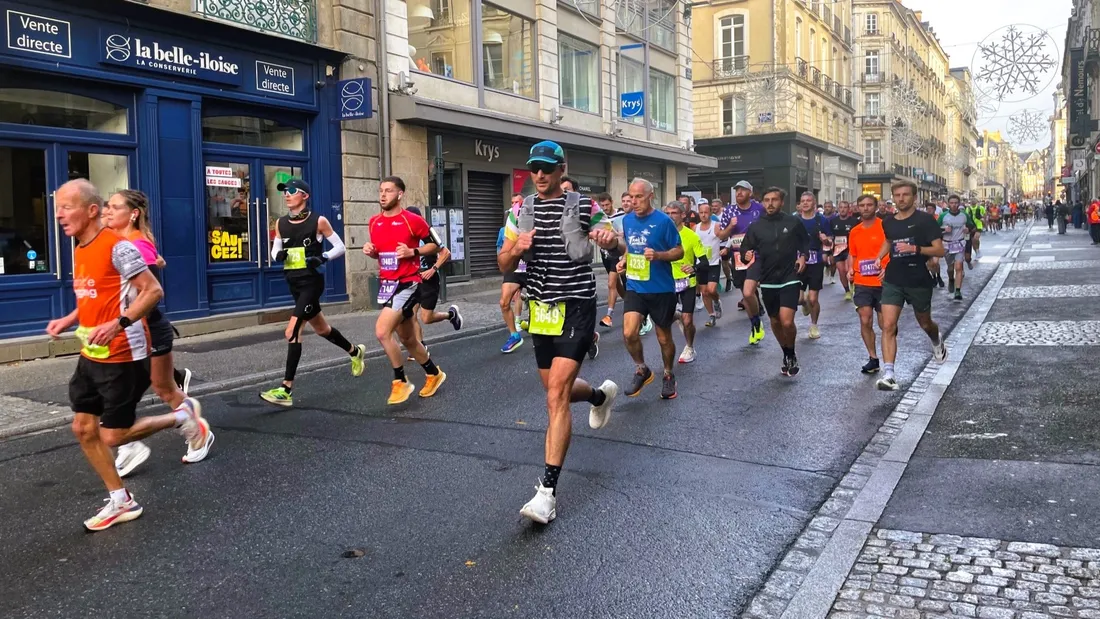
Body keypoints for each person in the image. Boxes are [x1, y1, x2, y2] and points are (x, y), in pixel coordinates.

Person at [47, 179, 211, 531]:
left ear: (91, 210)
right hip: (91, 353)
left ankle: (181, 417)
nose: (59, 214)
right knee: (83, 428)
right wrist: (70, 319)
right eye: (57, 207)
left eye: (67, 207)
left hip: (124, 354)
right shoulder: (80, 247)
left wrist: (118, 324)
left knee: (112, 436)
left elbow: (152, 291)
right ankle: (121, 500)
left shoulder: (118, 247)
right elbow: (94, 294)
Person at [499, 141, 619, 524]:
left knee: (556, 397)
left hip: (577, 306)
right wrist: (516, 248)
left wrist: (608, 239)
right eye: (534, 167)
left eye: (547, 168)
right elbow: (502, 261)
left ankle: (546, 494)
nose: (539, 174)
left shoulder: (585, 205)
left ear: (561, 168)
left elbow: (614, 240)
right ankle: (599, 395)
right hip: (540, 309)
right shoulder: (520, 210)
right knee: (555, 389)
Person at [102, 189, 210, 478]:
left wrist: (119, 321)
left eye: (114, 207)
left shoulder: (137, 244)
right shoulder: (119, 242)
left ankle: (196, 433)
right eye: (106, 206)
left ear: (133, 214)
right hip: (125, 332)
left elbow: (149, 293)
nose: (107, 211)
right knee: (112, 389)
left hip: (146, 330)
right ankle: (127, 443)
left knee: (162, 389)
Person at [261, 178, 365, 406]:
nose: (287, 194)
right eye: (284, 191)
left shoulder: (319, 220)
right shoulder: (280, 223)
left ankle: (286, 389)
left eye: (291, 190)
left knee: (292, 331)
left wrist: (323, 257)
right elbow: (275, 249)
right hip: (293, 282)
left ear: (305, 196)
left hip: (311, 283)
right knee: (322, 329)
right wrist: (278, 255)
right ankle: (355, 351)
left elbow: (340, 247)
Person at [363, 176, 448, 404]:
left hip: (408, 284)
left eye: (388, 191)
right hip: (387, 285)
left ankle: (400, 381)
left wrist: (413, 251)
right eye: (381, 190)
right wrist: (372, 251)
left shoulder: (412, 220)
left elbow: (437, 245)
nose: (383, 195)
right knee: (408, 339)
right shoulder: (374, 222)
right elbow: (382, 253)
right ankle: (434, 374)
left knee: (382, 332)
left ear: (400, 194)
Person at [875, 181, 948, 391]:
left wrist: (915, 249)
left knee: (925, 324)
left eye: (905, 195)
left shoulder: (925, 220)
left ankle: (936, 339)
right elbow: (889, 241)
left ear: (914, 197)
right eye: (897, 195)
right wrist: (879, 257)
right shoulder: (888, 221)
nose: (901, 199)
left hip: (918, 278)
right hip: (894, 278)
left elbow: (939, 250)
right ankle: (889, 375)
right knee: (888, 325)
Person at [617, 178, 684, 399]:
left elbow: (679, 251)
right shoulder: (627, 220)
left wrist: (658, 255)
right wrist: (624, 260)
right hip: (635, 285)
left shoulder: (664, 221)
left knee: (663, 338)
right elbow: (630, 246)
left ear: (650, 196)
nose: (634, 201)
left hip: (661, 288)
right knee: (629, 333)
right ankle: (642, 369)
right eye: (631, 197)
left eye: (639, 197)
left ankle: (668, 374)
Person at [739, 187, 809, 375]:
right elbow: (745, 249)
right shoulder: (756, 226)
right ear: (763, 203)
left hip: (789, 276)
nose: (770, 203)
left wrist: (803, 256)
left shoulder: (793, 222)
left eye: (774, 200)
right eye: (767, 200)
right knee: (776, 321)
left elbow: (805, 242)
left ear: (781, 202)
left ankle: (791, 353)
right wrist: (746, 255)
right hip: (768, 279)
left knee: (787, 322)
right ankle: (786, 353)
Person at [405, 206, 462, 352]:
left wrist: (433, 269)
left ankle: (451, 315)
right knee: (411, 315)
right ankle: (420, 347)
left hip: (429, 281)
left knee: (426, 318)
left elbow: (446, 253)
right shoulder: (406, 236)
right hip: (414, 280)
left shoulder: (427, 233)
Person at [718, 180, 767, 345]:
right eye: (737, 190)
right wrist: (730, 227)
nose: (739, 192)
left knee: (748, 292)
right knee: (745, 295)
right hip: (738, 258)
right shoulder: (729, 211)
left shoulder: (759, 209)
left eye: (743, 190)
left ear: (750, 193)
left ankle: (758, 318)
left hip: (756, 256)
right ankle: (755, 324)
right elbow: (722, 236)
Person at [847, 194, 888, 374]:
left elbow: (893, 250)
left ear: (876, 207)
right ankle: (873, 358)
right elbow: (853, 254)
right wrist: (850, 269)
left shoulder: (884, 227)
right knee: (865, 319)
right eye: (862, 205)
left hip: (883, 281)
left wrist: (888, 268)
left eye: (869, 205)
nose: (865, 208)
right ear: (858, 208)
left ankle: (889, 358)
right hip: (862, 281)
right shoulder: (855, 231)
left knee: (885, 324)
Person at [664, 201, 706, 363]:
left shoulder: (691, 236)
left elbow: (704, 262)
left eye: (674, 213)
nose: (670, 216)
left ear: (683, 215)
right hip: (667, 281)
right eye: (667, 213)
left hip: (687, 281)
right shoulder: (661, 234)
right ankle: (677, 315)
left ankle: (689, 347)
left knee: (688, 320)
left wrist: (693, 267)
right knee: (664, 318)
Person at [795, 192, 830, 339]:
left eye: (808, 200)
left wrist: (825, 240)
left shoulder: (821, 220)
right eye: (802, 200)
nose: (805, 203)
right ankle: (804, 303)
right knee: (798, 299)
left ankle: (814, 325)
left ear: (814, 203)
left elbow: (830, 242)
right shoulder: (795, 220)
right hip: (798, 262)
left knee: (813, 299)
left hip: (815, 263)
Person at [498, 194, 527, 353]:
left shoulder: (532, 214)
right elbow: (503, 247)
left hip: (531, 265)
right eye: (512, 202)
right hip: (515, 266)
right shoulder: (510, 220)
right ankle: (514, 335)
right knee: (504, 302)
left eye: (517, 202)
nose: (515, 204)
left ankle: (587, 336)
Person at [938, 196, 974, 302]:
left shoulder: (964, 215)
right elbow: (935, 229)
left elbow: (972, 226)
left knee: (959, 267)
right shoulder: (943, 216)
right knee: (950, 268)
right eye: (952, 203)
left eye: (956, 203)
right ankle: (951, 279)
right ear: (948, 204)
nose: (954, 205)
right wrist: (944, 230)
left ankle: (958, 291)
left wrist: (968, 230)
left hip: (959, 243)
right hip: (947, 244)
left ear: (959, 203)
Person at [597, 192, 624, 328]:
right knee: (616, 284)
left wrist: (616, 234)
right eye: (602, 206)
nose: (605, 208)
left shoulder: (621, 214)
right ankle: (632, 306)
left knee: (611, 283)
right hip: (605, 254)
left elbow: (624, 233)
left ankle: (609, 316)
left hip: (618, 253)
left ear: (612, 202)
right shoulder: (599, 217)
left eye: (607, 205)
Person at [695, 201, 724, 327]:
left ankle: (716, 301)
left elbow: (727, 237)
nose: (703, 215)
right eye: (701, 212)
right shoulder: (695, 228)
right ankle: (711, 315)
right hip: (701, 264)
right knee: (705, 292)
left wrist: (726, 248)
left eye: (706, 212)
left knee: (711, 290)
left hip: (714, 263)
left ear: (710, 213)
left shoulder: (716, 226)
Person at [831, 201, 860, 302]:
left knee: (848, 269)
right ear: (838, 209)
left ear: (848, 209)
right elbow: (831, 236)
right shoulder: (833, 221)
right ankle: (847, 290)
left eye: (845, 207)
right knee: (841, 271)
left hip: (850, 249)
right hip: (838, 249)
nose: (843, 209)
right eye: (841, 207)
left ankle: (852, 284)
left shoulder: (854, 221)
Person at [712, 198, 735, 292]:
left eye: (716, 206)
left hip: (725, 243)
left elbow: (731, 231)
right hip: (715, 243)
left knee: (724, 264)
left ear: (720, 206)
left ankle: (729, 280)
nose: (714, 208)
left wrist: (727, 246)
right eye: (712, 206)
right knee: (717, 263)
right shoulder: (711, 217)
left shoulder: (725, 216)